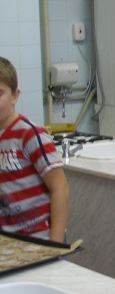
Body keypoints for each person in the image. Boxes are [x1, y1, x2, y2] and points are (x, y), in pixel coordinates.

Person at [0, 57, 69, 243]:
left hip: (40, 241)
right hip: (10, 243)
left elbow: (60, 189)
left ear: (15, 96)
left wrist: (54, 246)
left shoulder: (30, 134)